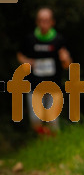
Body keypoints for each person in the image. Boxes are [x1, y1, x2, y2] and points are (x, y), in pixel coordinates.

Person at [17, 7, 72, 135]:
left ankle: (54, 147)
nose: (44, 23)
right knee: (35, 122)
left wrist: (65, 59)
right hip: (34, 87)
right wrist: (25, 61)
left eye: (47, 20)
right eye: (41, 20)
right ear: (37, 22)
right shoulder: (30, 39)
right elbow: (20, 54)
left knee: (53, 121)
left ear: (52, 22)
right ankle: (44, 141)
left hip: (53, 87)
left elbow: (67, 65)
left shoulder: (59, 40)